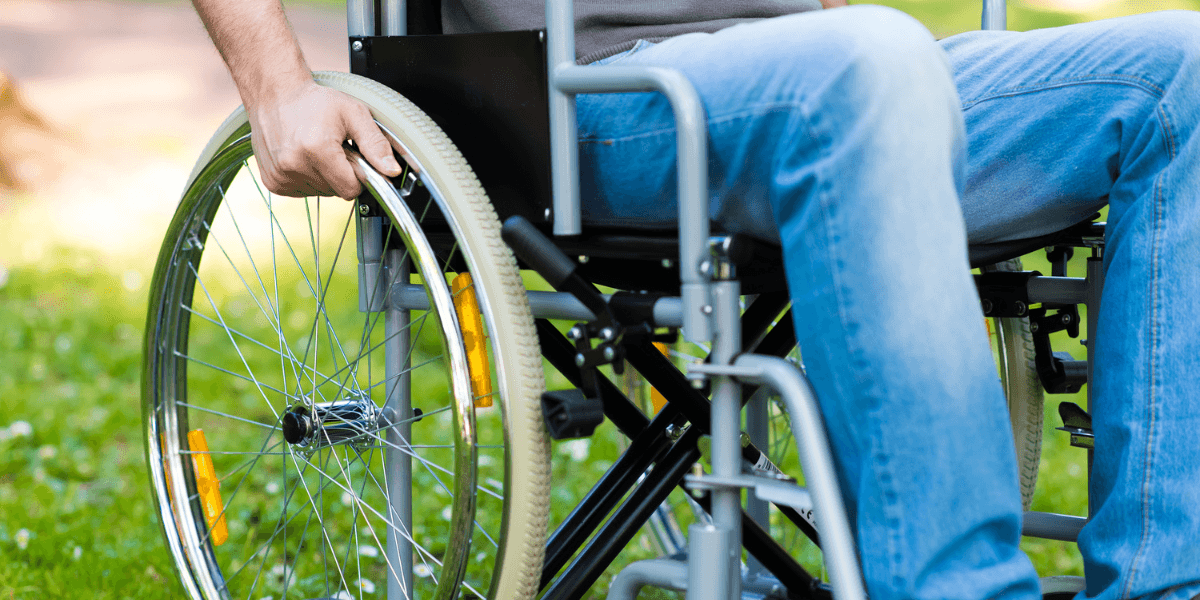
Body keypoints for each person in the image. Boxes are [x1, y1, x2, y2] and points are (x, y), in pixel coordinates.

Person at [189, 0, 1200, 599]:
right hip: (586, 92)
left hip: (831, 63)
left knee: (1180, 74)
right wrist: (275, 86)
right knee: (869, 65)